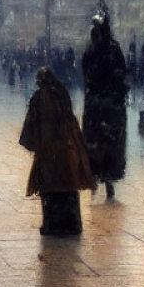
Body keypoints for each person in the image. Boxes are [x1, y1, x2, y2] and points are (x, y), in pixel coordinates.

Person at [19, 66, 97, 235]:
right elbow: (70, 120)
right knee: (67, 187)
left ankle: (52, 225)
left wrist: (32, 142)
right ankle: (71, 224)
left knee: (49, 188)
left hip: (47, 151)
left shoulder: (38, 98)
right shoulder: (62, 95)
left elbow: (31, 124)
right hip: (65, 150)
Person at [82, 0, 128, 199]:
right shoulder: (98, 49)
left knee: (105, 143)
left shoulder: (106, 49)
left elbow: (119, 72)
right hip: (102, 103)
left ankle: (104, 179)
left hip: (104, 103)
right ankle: (100, 178)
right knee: (101, 143)